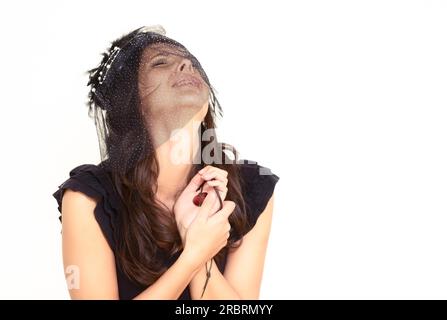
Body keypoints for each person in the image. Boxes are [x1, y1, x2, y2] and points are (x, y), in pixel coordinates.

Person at [52, 25, 280, 300]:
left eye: (191, 62)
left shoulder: (248, 188)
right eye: (161, 62)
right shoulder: (88, 198)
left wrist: (199, 244)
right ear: (131, 101)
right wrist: (193, 255)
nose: (187, 64)